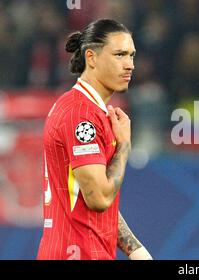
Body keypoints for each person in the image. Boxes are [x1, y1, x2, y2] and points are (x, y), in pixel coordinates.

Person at [37, 19, 152, 260]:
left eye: (131, 55)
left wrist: (134, 249)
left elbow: (88, 193)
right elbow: (98, 197)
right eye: (119, 55)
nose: (129, 65)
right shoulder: (81, 115)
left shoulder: (88, 110)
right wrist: (124, 146)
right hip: (76, 253)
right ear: (91, 57)